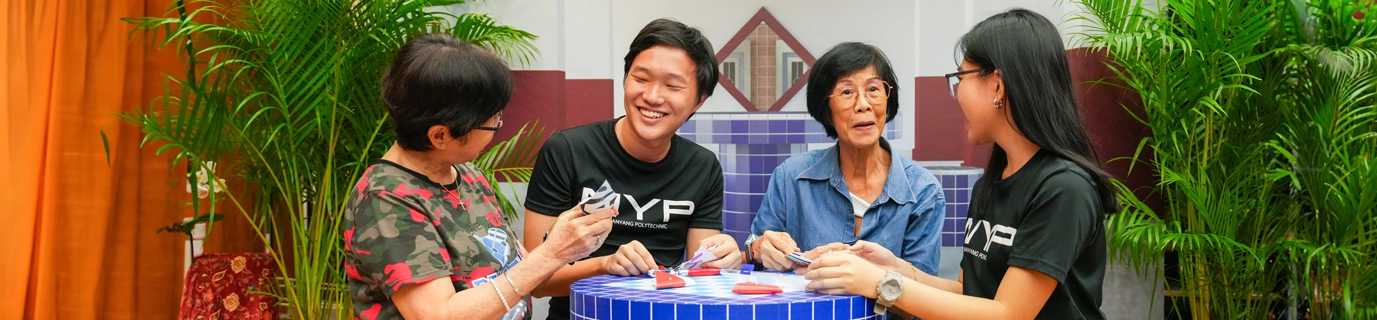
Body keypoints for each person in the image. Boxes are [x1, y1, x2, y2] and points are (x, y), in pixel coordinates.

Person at [803, 9, 1119, 319]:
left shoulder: (1063, 188)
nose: (956, 93)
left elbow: (1008, 314)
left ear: (997, 85)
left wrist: (881, 284)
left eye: (960, 77)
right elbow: (968, 296)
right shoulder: (991, 184)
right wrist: (893, 268)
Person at [342, 33, 615, 320]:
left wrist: (576, 249)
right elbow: (439, 315)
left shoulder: (466, 174)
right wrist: (551, 254)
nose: (499, 125)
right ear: (440, 135)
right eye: (492, 123)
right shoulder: (386, 198)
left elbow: (522, 269)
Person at [522, 18, 744, 319]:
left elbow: (699, 271)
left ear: (698, 101)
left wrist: (722, 257)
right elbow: (535, 280)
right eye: (641, 78)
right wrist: (606, 265)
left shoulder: (702, 167)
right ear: (626, 79)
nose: (652, 96)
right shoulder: (568, 150)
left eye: (672, 85)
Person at [747, 42, 945, 277]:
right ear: (826, 109)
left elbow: (923, 297)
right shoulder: (791, 177)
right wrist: (757, 251)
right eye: (847, 92)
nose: (863, 105)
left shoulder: (923, 191)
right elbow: (755, 271)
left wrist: (869, 279)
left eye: (873, 89)